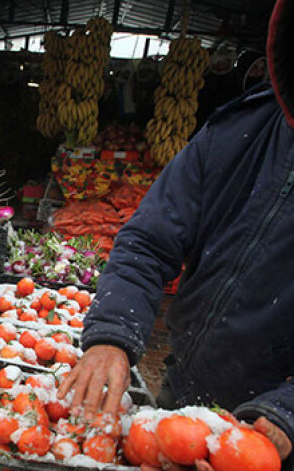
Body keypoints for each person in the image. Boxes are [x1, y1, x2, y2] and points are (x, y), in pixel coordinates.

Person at [57, 0, 294, 469]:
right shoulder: (241, 130)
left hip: (271, 439)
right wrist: (112, 336)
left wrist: (283, 415)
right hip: (183, 394)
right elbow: (148, 241)